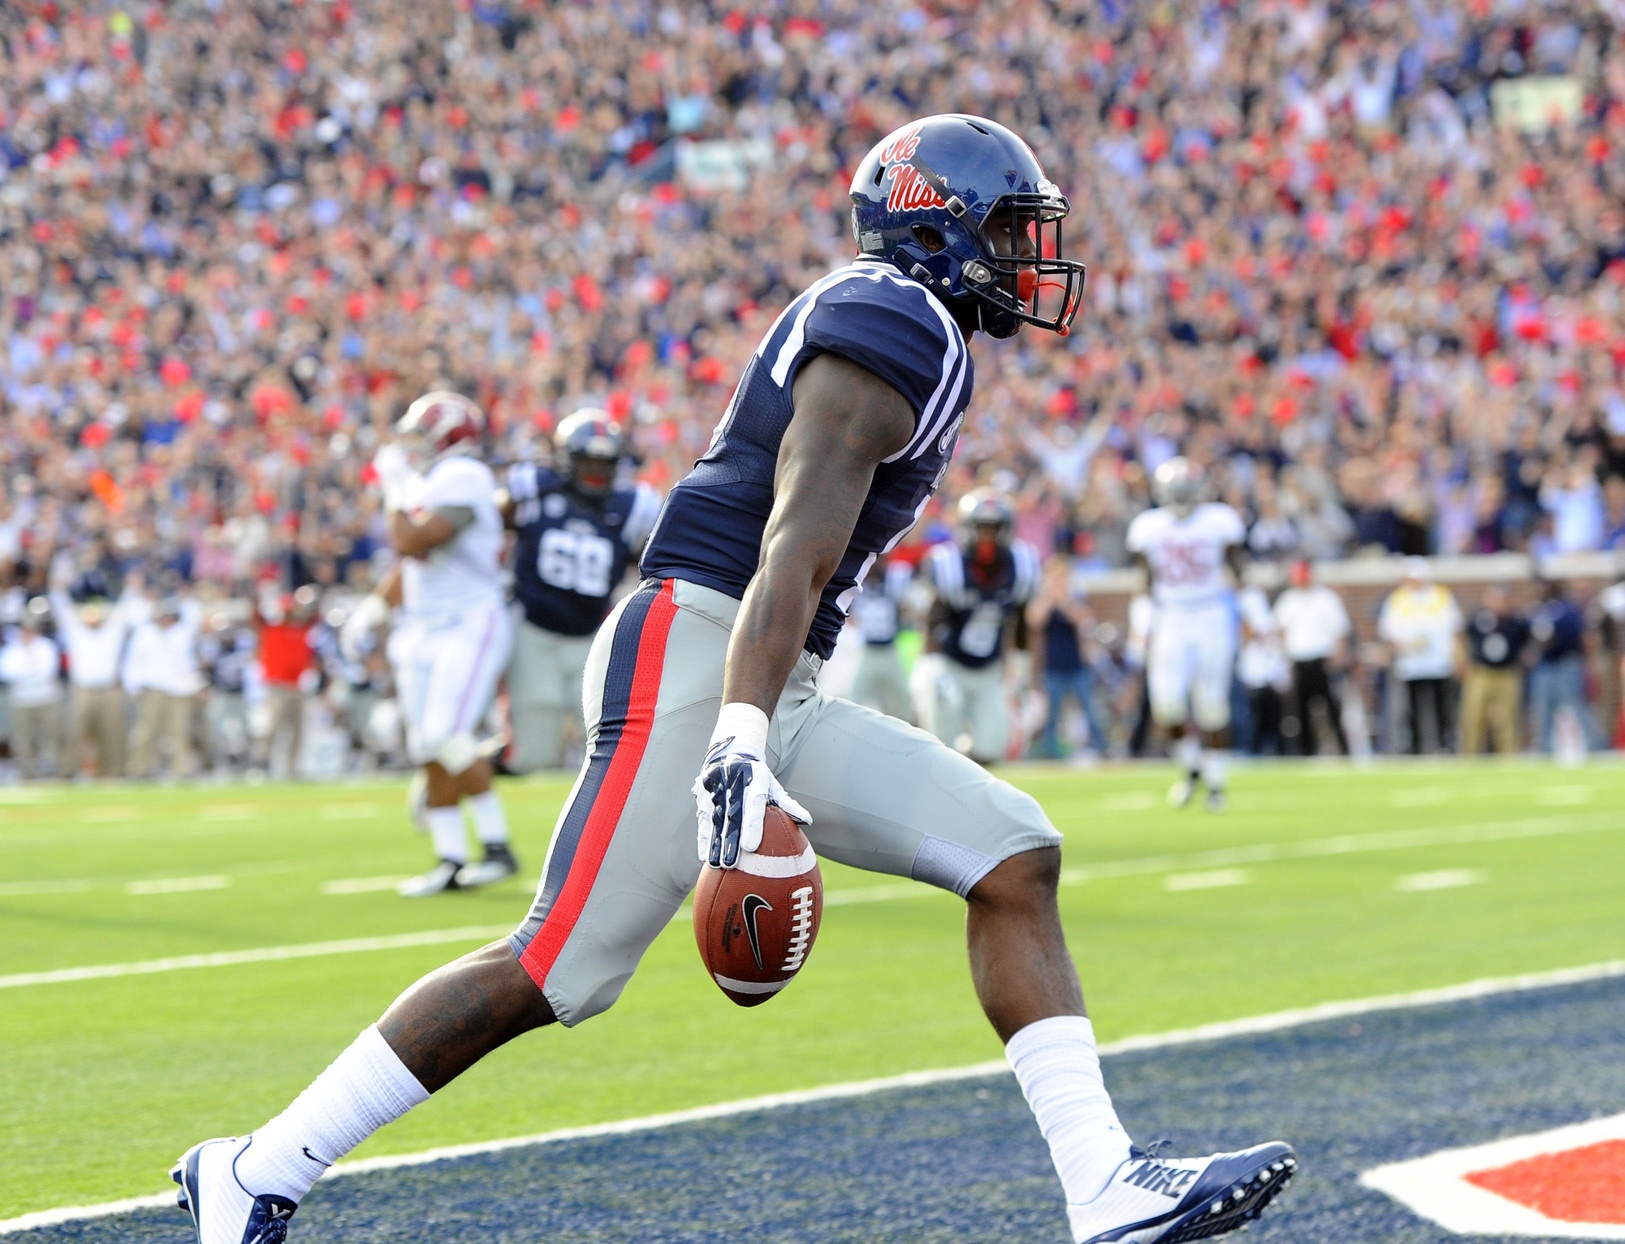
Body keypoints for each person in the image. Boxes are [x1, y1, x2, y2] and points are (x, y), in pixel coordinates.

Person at [173, 115, 1292, 1244]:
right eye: (1005, 230)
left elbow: (800, 570)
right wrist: (738, 735)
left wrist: (761, 714)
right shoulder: (894, 317)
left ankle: (1102, 1185)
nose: (1023, 259)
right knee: (561, 962)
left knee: (1011, 852)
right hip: (705, 644)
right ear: (932, 221)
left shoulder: (910, 326)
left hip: (766, 660)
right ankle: (258, 1165)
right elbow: (791, 549)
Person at [353, 391, 518, 897]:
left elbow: (412, 541)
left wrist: (396, 484)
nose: (413, 445)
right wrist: (377, 607)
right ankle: (450, 857)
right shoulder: (430, 481)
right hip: (425, 627)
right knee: (426, 743)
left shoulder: (464, 475)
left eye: (422, 433)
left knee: (448, 735)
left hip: (469, 622)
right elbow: (413, 563)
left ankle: (496, 847)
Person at [500, 408, 661, 772]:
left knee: (611, 744)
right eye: (587, 461)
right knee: (532, 757)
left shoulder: (632, 507)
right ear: (565, 458)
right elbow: (490, 522)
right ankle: (457, 774)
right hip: (533, 635)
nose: (596, 472)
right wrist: (511, 497)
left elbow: (652, 562)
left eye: (605, 463)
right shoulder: (534, 491)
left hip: (591, 639)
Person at [1126, 457, 1247, 810]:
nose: (1181, 498)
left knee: (1212, 705)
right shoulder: (1148, 527)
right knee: (1167, 706)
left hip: (1211, 613)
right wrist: (1139, 630)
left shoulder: (1219, 521)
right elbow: (1145, 583)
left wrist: (1258, 621)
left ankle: (1216, 784)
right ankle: (1192, 767)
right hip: (1171, 616)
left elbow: (1240, 573)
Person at [921, 490, 1041, 764]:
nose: (988, 537)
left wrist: (1021, 673)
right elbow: (933, 620)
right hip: (951, 665)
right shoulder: (948, 565)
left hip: (990, 671)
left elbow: (1020, 621)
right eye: (982, 529)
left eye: (994, 529)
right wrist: (932, 668)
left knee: (992, 748)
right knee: (940, 747)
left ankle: (969, 764)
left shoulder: (1021, 567)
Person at [1376, 558, 1462, 755]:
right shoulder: (1398, 598)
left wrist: (1457, 657)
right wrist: (1404, 645)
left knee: (1442, 705)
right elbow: (1388, 631)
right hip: (1411, 662)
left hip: (1439, 661)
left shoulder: (1440, 595)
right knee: (1412, 708)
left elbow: (1454, 629)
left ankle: (1444, 746)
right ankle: (1415, 748)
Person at [48, 584, 133, 779]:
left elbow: (122, 613)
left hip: (109, 690)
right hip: (82, 690)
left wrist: (131, 590)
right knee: (74, 732)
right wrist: (58, 589)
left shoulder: (111, 633)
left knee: (112, 732)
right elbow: (63, 612)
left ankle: (114, 771)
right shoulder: (77, 633)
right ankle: (68, 770)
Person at [1028, 554, 1108, 758]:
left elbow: (1085, 621)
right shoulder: (1044, 600)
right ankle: (1049, 752)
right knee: (1052, 714)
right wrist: (1050, 597)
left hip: (1077, 666)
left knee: (1091, 710)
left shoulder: (1075, 598)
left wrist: (1064, 601)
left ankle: (1102, 747)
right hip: (1052, 667)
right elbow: (1034, 621)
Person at [1272, 559, 1352, 756]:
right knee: (1301, 709)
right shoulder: (1288, 600)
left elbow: (1340, 631)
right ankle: (1306, 751)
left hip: (1322, 659)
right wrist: (1283, 657)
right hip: (1299, 660)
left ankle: (1342, 749)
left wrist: (1338, 656)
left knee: (1331, 708)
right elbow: (1279, 631)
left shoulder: (1326, 598)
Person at [123, 593, 203, 778]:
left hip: (179, 689)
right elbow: (133, 660)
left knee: (180, 731)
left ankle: (181, 769)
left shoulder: (181, 633)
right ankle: (139, 768)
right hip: (153, 688)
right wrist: (132, 685)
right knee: (146, 731)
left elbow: (194, 615)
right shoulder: (145, 633)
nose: (166, 619)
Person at [1526, 579, 1601, 755]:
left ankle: (1594, 745)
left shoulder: (1566, 608)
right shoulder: (1537, 610)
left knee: (1578, 705)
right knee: (1543, 708)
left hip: (1566, 664)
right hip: (1545, 666)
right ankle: (1544, 748)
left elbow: (1574, 634)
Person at [1457, 583, 1527, 756]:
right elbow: (1463, 638)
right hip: (1481, 673)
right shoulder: (1479, 620)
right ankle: (1468, 757)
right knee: (1473, 717)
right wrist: (1462, 662)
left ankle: (1509, 757)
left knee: (1507, 720)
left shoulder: (1515, 622)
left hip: (1507, 674)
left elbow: (1525, 644)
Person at [846, 554, 916, 722]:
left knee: (903, 701)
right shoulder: (854, 583)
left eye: (878, 559)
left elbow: (909, 607)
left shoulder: (895, 581)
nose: (874, 565)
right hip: (867, 652)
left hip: (889, 651)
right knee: (853, 699)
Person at [0, 600, 63, 779]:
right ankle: (28, 773)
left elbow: (47, 671)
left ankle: (55, 771)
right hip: (21, 701)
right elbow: (7, 672)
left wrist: (25, 671)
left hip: (46, 698)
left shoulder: (46, 646)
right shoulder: (11, 650)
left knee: (52, 736)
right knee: (23, 739)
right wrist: (30, 669)